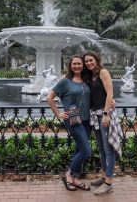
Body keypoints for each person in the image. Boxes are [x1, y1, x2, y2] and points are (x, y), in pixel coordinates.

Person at [46, 55, 91, 191]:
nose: (77, 66)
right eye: (74, 64)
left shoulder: (86, 80)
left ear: (82, 65)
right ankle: (69, 173)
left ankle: (75, 178)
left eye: (79, 63)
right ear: (70, 66)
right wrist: (58, 113)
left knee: (79, 149)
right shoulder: (65, 81)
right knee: (86, 151)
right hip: (73, 120)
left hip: (87, 120)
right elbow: (49, 97)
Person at [83, 51, 123, 195]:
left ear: (96, 60)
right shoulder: (89, 75)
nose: (88, 63)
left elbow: (110, 93)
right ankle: (104, 176)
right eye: (86, 61)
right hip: (95, 114)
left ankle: (109, 182)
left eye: (91, 60)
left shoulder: (103, 72)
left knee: (108, 149)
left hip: (104, 114)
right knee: (101, 148)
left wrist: (106, 114)